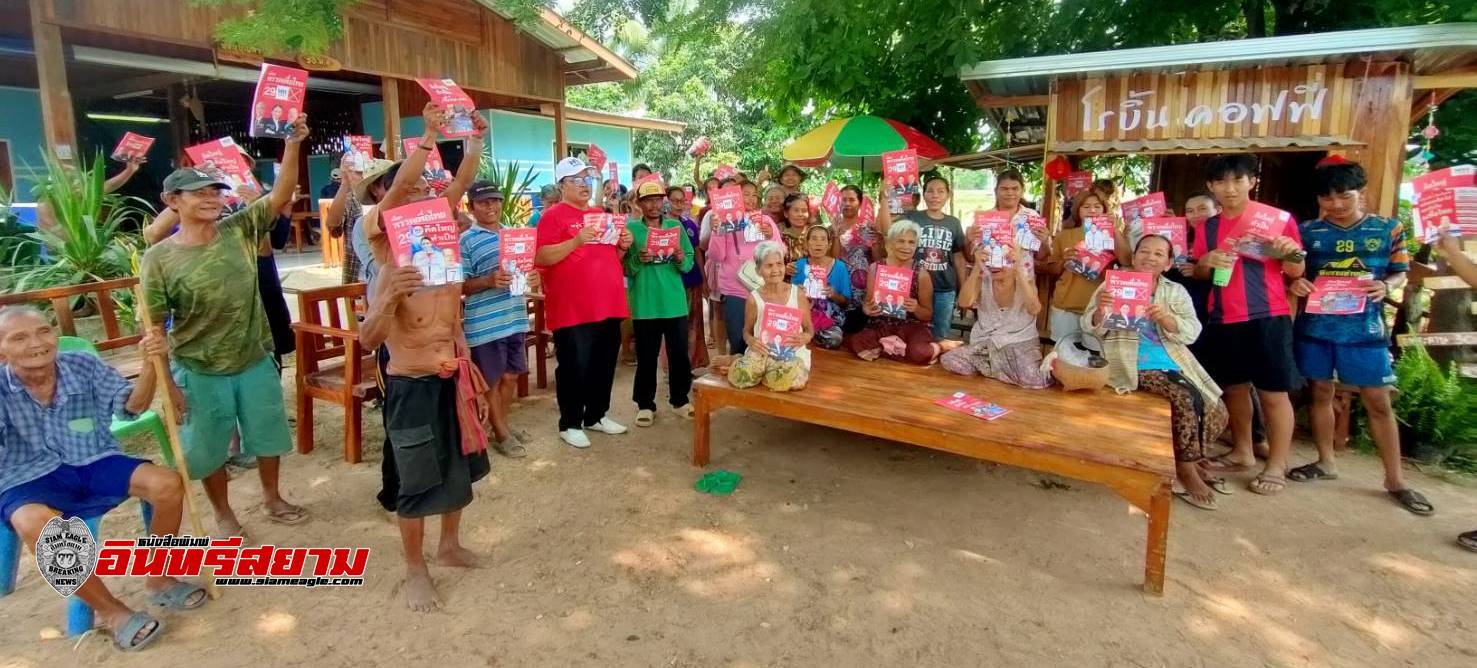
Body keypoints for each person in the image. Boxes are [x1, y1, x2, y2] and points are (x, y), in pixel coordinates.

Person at [139, 117, 311, 537]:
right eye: (198, 193)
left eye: (215, 191)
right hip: (199, 367)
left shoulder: (238, 230)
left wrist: (291, 144)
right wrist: (171, 386)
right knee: (209, 448)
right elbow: (155, 329)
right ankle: (223, 512)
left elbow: (280, 194)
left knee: (267, 437)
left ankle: (272, 497)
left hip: (253, 358)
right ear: (172, 200)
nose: (211, 198)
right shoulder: (159, 258)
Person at [0, 306, 204, 651]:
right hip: (26, 475)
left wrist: (148, 364)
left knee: (166, 484)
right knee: (35, 523)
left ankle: (159, 578)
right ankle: (113, 612)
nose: (37, 343)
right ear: (2, 349)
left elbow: (134, 406)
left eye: (43, 332)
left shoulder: (83, 365)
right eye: (19, 337)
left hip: (92, 458)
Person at [360, 105, 490, 612]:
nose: (423, 202)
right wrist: (427, 138)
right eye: (412, 194)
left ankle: (450, 546)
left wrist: (474, 142)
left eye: (427, 193)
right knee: (416, 482)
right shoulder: (384, 249)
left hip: (453, 374)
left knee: (460, 468)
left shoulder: (439, 241)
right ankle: (415, 570)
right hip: (410, 384)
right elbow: (370, 339)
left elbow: (456, 187)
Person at [1283, 161, 1431, 514]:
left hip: (1364, 330)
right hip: (1315, 327)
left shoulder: (1388, 229)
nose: (1335, 204)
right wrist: (1295, 283)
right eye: (1327, 197)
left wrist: (1386, 285)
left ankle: (1395, 480)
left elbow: (1400, 272)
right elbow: (1291, 272)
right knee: (1319, 392)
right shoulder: (1307, 231)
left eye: (1343, 196)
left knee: (1378, 401)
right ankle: (1325, 462)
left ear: (1361, 192)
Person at [1083, 235, 1230, 510]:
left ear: (1168, 263)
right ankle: (1186, 469)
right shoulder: (1113, 284)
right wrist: (1101, 310)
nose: (1150, 257)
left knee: (1218, 409)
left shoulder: (1174, 291)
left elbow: (1192, 332)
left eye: (1158, 254)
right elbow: (1089, 327)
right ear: (1134, 256)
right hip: (1129, 360)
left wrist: (1166, 319)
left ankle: (1188, 459)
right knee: (1185, 397)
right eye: (1144, 252)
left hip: (1173, 359)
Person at [1191, 154, 1305, 495]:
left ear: (1252, 181)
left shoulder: (1275, 220)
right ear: (1211, 187)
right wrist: (1207, 261)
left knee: (1273, 393)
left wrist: (1290, 254)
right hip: (1223, 316)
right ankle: (1242, 451)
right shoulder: (1207, 227)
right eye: (1221, 182)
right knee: (1234, 389)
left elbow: (1296, 272)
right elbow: (1199, 271)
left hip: (1267, 315)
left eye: (1237, 180)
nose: (1230, 189)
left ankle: (1276, 464)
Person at [536, 157, 634, 448]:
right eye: (576, 180)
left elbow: (610, 257)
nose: (584, 184)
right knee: (574, 365)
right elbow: (541, 257)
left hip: (608, 302)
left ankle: (596, 415)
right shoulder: (552, 216)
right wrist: (576, 241)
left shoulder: (600, 214)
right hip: (572, 307)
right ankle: (570, 422)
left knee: (604, 363)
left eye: (587, 179)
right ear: (562, 186)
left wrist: (623, 245)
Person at [461, 182, 540, 459]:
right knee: (492, 381)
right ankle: (502, 433)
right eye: (483, 203)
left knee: (511, 375)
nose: (491, 207)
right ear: (470, 208)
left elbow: (527, 269)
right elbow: (459, 285)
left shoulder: (512, 235)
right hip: (485, 323)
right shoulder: (466, 240)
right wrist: (487, 281)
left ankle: (500, 425)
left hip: (515, 318)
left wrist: (532, 276)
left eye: (495, 201)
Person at [624, 181, 696, 426]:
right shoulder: (631, 230)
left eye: (657, 200)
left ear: (663, 202)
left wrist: (678, 258)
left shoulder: (676, 227)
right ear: (640, 203)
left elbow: (688, 261)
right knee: (646, 356)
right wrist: (637, 258)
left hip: (674, 302)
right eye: (648, 200)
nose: (653, 205)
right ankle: (645, 404)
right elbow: (625, 268)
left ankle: (680, 400)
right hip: (645, 303)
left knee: (678, 354)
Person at [941, 240, 1051, 388]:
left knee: (1034, 379)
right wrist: (976, 269)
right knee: (950, 360)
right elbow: (964, 303)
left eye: (1003, 260)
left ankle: (995, 369)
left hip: (1019, 344)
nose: (996, 266)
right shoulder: (984, 276)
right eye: (993, 259)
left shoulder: (1024, 278)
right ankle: (999, 370)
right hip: (986, 344)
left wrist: (1019, 271)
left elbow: (1034, 309)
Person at [879, 175, 966, 340]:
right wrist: (884, 198)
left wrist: (962, 288)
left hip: (944, 289)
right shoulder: (913, 217)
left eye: (940, 191)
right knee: (913, 335)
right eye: (930, 191)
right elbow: (887, 231)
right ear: (923, 195)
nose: (935, 195)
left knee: (940, 335)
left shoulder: (953, 223)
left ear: (948, 195)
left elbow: (959, 258)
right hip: (914, 288)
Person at [845, 220, 937, 364]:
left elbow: (928, 314)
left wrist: (916, 308)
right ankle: (895, 346)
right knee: (855, 341)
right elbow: (868, 303)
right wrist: (867, 309)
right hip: (882, 324)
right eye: (901, 241)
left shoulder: (921, 274)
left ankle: (939, 347)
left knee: (920, 353)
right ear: (891, 242)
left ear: (916, 245)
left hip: (911, 325)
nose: (906, 247)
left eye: (911, 242)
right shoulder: (876, 268)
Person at [704, 181, 780, 355]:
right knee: (738, 341)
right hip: (735, 289)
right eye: (746, 194)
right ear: (735, 197)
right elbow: (716, 256)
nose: (751, 198)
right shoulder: (724, 221)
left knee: (764, 339)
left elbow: (780, 251)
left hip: (763, 288)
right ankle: (738, 374)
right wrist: (717, 230)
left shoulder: (766, 220)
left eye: (755, 194)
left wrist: (771, 237)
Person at [728, 241, 814, 391]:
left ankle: (764, 374)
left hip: (792, 353)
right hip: (762, 353)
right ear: (758, 270)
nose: (775, 270)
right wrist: (751, 341)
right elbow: (746, 332)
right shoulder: (753, 299)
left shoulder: (797, 294)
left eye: (779, 264)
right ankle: (761, 371)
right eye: (769, 266)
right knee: (741, 376)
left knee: (792, 379)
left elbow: (809, 329)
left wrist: (805, 337)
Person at [1041, 189, 1116, 346]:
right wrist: (1064, 261)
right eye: (1086, 207)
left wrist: (1114, 229)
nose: (1092, 210)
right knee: (1063, 356)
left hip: (1097, 308)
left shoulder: (1111, 235)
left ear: (1104, 209)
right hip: (1066, 307)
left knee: (1093, 358)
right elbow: (1051, 269)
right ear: (1077, 211)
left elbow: (1127, 260)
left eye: (1097, 206)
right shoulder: (1065, 235)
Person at [668, 184, 709, 371]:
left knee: (694, 325)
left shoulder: (690, 224)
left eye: (682, 200)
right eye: (674, 200)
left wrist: (703, 277)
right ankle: (672, 368)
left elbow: (697, 252)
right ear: (666, 202)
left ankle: (689, 366)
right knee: (674, 328)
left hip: (693, 281)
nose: (679, 204)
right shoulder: (660, 226)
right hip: (673, 284)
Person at [791, 225, 852, 348]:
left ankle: (810, 334)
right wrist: (797, 291)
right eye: (813, 239)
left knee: (835, 339)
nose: (818, 243)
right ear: (807, 244)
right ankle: (809, 333)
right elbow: (790, 298)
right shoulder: (799, 265)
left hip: (829, 317)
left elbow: (846, 302)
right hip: (804, 313)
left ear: (829, 244)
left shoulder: (839, 267)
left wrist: (834, 295)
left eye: (823, 239)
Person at [831, 185, 880, 332]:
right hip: (842, 285)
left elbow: (877, 260)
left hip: (864, 285)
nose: (846, 203)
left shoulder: (868, 227)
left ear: (859, 202)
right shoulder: (832, 226)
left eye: (851, 200)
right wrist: (836, 235)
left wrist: (875, 242)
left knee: (861, 327)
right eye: (843, 199)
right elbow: (834, 259)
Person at [778, 192, 812, 270]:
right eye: (796, 210)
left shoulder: (814, 234)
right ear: (786, 213)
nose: (800, 214)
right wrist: (785, 269)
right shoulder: (780, 238)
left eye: (804, 210)